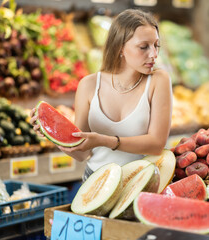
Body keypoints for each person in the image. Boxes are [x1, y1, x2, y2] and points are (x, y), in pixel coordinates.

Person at [30, 9, 172, 182]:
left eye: (156, 45)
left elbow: (156, 144)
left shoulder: (159, 80)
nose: (154, 54)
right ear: (120, 47)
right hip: (95, 180)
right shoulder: (88, 85)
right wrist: (53, 132)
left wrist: (104, 141)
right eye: (144, 47)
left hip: (140, 182)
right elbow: (81, 153)